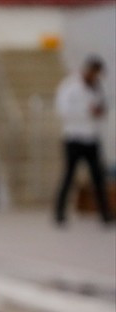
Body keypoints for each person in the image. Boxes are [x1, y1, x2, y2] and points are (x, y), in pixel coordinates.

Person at [53, 55, 112, 226]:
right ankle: (59, 213)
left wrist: (100, 113)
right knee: (69, 176)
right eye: (94, 73)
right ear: (87, 70)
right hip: (74, 138)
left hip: (92, 138)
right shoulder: (70, 86)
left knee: (98, 178)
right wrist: (87, 112)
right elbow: (63, 111)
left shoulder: (98, 87)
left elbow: (102, 109)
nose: (96, 76)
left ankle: (104, 214)